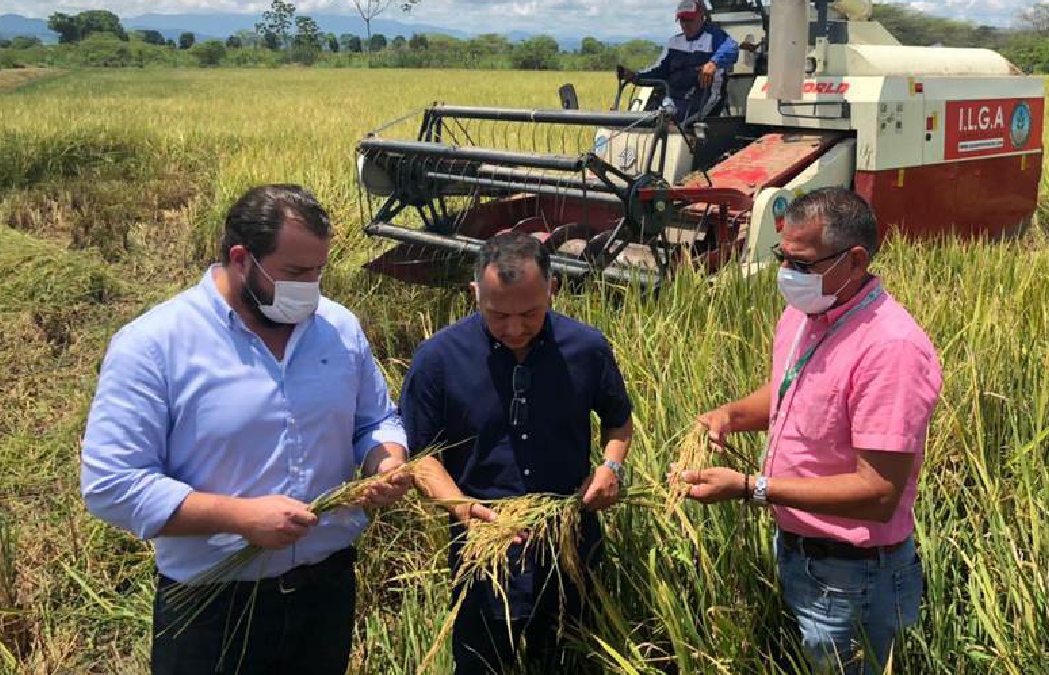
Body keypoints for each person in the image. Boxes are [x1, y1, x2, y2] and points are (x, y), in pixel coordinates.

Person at [80, 184, 413, 675]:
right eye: (295, 273)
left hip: (325, 592)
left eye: (319, 271)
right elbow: (112, 485)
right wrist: (240, 518)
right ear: (241, 259)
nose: (311, 288)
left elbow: (375, 420)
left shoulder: (338, 329)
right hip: (213, 606)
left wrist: (385, 461)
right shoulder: (155, 345)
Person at [677, 187, 943, 674]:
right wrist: (731, 415)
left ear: (855, 260)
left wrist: (751, 488)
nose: (787, 274)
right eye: (783, 257)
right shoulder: (807, 314)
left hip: (854, 577)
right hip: (800, 553)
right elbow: (792, 388)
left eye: (802, 263)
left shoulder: (891, 350)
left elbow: (878, 492)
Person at [400, 231, 634, 674]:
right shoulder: (438, 359)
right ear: (475, 293)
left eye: (529, 313)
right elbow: (421, 456)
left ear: (552, 289)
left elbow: (619, 421)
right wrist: (463, 508)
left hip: (569, 546)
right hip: (483, 555)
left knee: (569, 662)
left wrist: (610, 467)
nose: (514, 329)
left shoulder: (586, 348)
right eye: (498, 314)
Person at [618, 0, 739, 127]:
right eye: (682, 20)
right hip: (671, 99)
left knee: (672, 125)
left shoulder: (714, 37)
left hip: (703, 98)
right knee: (643, 122)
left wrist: (713, 64)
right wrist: (635, 76)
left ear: (701, 17)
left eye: (690, 20)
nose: (686, 25)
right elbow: (659, 71)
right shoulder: (673, 43)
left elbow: (732, 48)